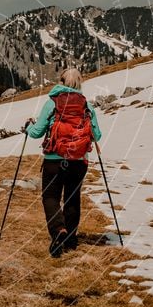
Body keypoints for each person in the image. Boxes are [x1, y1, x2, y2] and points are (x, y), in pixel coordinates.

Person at [24, 68, 102, 258]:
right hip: (78, 162)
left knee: (50, 197)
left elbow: (36, 133)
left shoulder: (52, 103)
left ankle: (58, 230)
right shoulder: (86, 106)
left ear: (61, 81)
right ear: (80, 82)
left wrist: (28, 126)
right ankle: (71, 240)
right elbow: (97, 135)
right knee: (72, 198)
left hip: (55, 160)